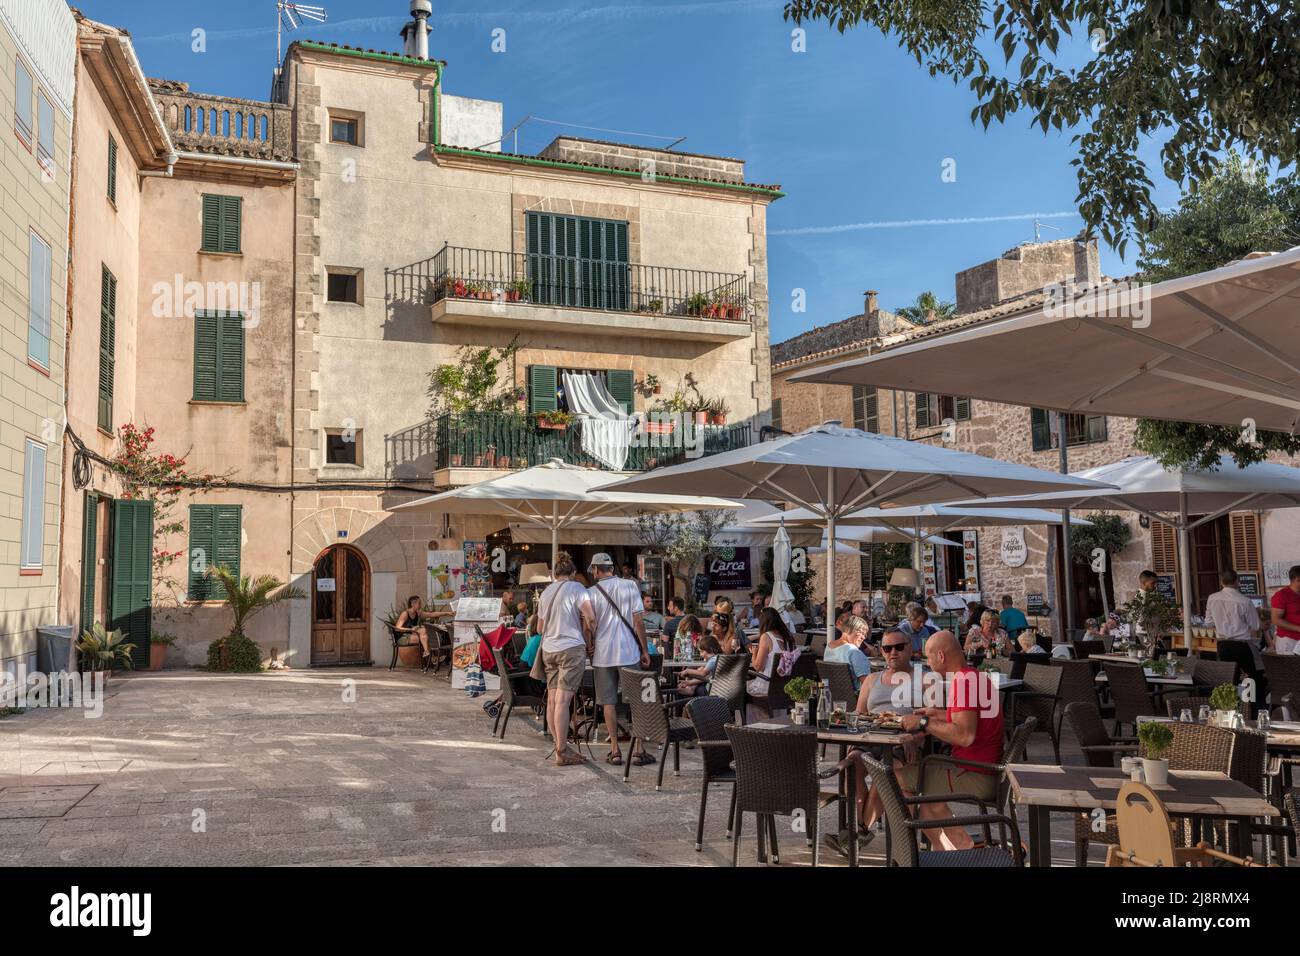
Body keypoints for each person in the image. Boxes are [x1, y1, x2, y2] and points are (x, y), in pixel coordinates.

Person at [896, 630, 1004, 851]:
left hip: (975, 774)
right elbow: (972, 719)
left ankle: (949, 847)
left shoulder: (963, 683)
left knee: (894, 778)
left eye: (928, 656)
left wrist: (924, 723)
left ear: (941, 656)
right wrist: (940, 715)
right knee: (921, 784)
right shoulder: (973, 676)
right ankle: (956, 844)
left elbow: (964, 736)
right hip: (986, 769)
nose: (927, 662)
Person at [850, 626, 923, 833]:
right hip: (872, 738)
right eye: (887, 648)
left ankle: (859, 833)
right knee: (851, 764)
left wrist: (914, 737)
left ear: (910, 648)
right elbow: (859, 715)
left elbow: (933, 720)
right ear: (881, 651)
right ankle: (859, 831)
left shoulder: (924, 680)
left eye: (899, 647)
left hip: (902, 743)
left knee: (883, 770)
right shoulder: (872, 679)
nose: (893, 652)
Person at [588, 553, 652, 767]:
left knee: (608, 702)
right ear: (612, 569)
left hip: (603, 654)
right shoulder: (630, 586)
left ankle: (615, 749)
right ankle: (639, 749)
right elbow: (638, 621)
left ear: (596, 570)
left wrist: (590, 644)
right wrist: (644, 649)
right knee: (637, 701)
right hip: (628, 651)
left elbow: (589, 625)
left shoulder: (591, 593)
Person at [533, 553, 596, 767]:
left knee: (552, 700)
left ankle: (559, 746)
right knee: (563, 701)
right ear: (573, 573)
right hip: (570, 648)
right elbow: (590, 617)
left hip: (549, 650)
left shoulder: (546, 593)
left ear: (555, 574)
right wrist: (591, 634)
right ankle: (561, 751)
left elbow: (539, 628)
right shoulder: (578, 588)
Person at [1206, 569, 1263, 668]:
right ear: (1237, 581)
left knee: (1229, 674)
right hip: (1240, 644)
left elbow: (1208, 623)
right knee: (1252, 674)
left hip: (1222, 644)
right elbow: (1256, 625)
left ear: (1221, 582)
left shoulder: (1212, 598)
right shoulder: (1245, 601)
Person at [746, 608, 794, 713]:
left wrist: (753, 653)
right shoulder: (787, 637)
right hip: (783, 687)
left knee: (739, 688)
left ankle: (752, 720)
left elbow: (758, 667)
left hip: (767, 686)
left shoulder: (766, 637)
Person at [823, 614, 874, 691]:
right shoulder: (854, 652)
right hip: (855, 696)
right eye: (862, 633)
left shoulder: (829, 647)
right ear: (850, 630)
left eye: (865, 635)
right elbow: (867, 684)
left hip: (831, 694)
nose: (863, 637)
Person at [395, 595, 435, 660]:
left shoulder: (417, 613)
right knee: (425, 638)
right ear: (412, 604)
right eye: (419, 603)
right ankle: (431, 657)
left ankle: (429, 655)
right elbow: (397, 628)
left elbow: (431, 614)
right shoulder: (405, 613)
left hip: (411, 635)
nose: (420, 605)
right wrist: (411, 629)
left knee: (425, 634)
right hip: (402, 638)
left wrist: (447, 613)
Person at [1271, 565, 1300, 655]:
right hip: (1289, 641)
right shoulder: (1281, 595)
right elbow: (1275, 619)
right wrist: (1298, 628)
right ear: (1297, 579)